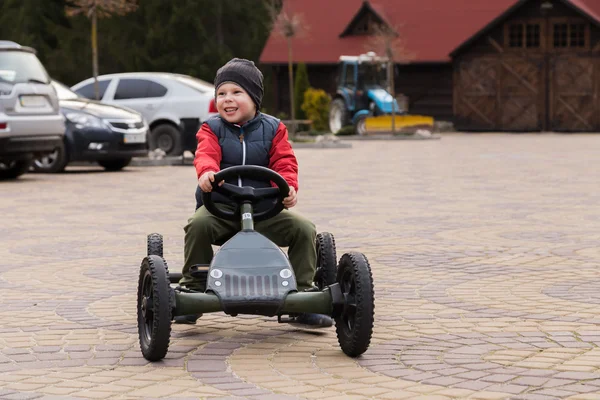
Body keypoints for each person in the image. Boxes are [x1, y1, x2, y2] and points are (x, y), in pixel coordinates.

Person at [177, 58, 333, 328]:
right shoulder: (211, 128)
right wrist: (206, 173)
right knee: (197, 224)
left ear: (255, 98)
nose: (228, 99)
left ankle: (304, 295)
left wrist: (288, 187)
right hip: (222, 209)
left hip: (264, 211)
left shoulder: (274, 128)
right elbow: (206, 154)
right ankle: (193, 288)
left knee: (304, 228)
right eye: (222, 94)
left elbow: (285, 162)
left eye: (237, 92)